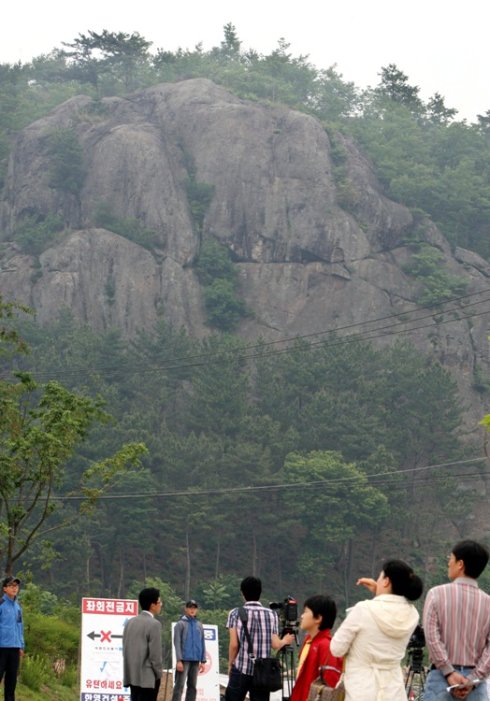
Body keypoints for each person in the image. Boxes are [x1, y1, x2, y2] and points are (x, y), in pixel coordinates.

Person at [330, 559, 423, 701]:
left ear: (386, 581)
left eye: (380, 578)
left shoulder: (363, 609)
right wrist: (381, 594)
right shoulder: (413, 614)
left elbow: (337, 649)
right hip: (394, 690)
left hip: (361, 689)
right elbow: (390, 609)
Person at [422, 540, 490, 701]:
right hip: (476, 685)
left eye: (450, 558)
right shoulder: (488, 602)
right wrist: (473, 679)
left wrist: (449, 671)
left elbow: (432, 637)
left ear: (460, 564)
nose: (448, 563)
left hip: (441, 679)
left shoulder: (436, 594)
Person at [225, 575, 295, 701]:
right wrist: (285, 640)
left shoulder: (235, 613)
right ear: (260, 592)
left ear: (242, 593)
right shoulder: (271, 614)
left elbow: (234, 645)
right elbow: (275, 644)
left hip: (241, 668)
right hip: (262, 673)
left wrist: (230, 664)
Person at [290, 595, 343, 701]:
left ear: (318, 618)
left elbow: (331, 684)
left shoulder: (326, 646)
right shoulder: (309, 641)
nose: (301, 616)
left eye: (305, 612)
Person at [123, 587, 163, 701]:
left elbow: (126, 648)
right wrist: (159, 673)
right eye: (159, 602)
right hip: (148, 677)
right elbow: (155, 655)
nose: (161, 605)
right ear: (153, 605)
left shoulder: (130, 622)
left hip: (132, 676)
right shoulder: (154, 624)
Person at [171, 599, 207, 701]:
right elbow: (177, 643)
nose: (192, 609)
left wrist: (203, 661)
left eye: (194, 608)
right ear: (186, 609)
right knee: (179, 685)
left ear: (197, 610)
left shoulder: (199, 625)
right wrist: (179, 660)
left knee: (192, 686)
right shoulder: (180, 624)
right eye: (190, 607)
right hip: (184, 660)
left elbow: (202, 642)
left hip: (195, 660)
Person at [0, 576, 24, 701]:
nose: (14, 588)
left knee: (11, 682)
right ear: (5, 588)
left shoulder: (18, 607)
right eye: (11, 585)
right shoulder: (1, 604)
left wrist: (21, 645)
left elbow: (20, 626)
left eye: (16, 586)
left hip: (14, 649)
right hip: (1, 648)